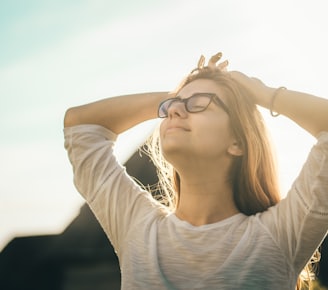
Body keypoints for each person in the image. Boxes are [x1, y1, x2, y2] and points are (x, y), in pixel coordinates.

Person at [63, 52, 328, 290]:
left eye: (200, 103)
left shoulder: (280, 234)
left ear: (238, 141)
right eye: (171, 108)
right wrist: (173, 97)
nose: (175, 111)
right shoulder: (137, 228)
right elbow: (81, 124)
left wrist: (263, 93)